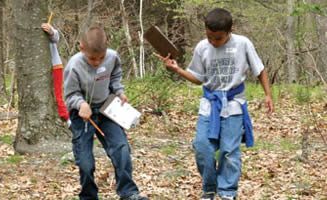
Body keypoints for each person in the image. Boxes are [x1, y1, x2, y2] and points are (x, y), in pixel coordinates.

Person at [162, 8, 274, 200]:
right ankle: (209, 187)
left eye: (218, 39)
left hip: (234, 105)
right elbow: (198, 78)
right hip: (210, 105)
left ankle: (227, 192)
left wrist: (268, 95)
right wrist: (177, 69)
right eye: (209, 37)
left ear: (230, 31)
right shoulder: (202, 48)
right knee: (202, 147)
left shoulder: (243, 44)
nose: (213, 42)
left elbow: (260, 70)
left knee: (230, 151)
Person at [64, 26, 149, 200]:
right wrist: (80, 104)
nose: (97, 62)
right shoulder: (74, 65)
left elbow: (115, 75)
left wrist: (119, 91)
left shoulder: (112, 57)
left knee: (121, 149)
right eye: (92, 58)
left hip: (106, 110)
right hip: (82, 115)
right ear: (82, 49)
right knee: (86, 161)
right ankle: (88, 196)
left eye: (101, 58)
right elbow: (70, 94)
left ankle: (128, 192)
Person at [41, 22, 70, 121]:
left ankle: (65, 116)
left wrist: (51, 31)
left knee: (57, 94)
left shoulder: (45, 25)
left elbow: (56, 37)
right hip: (39, 68)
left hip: (55, 65)